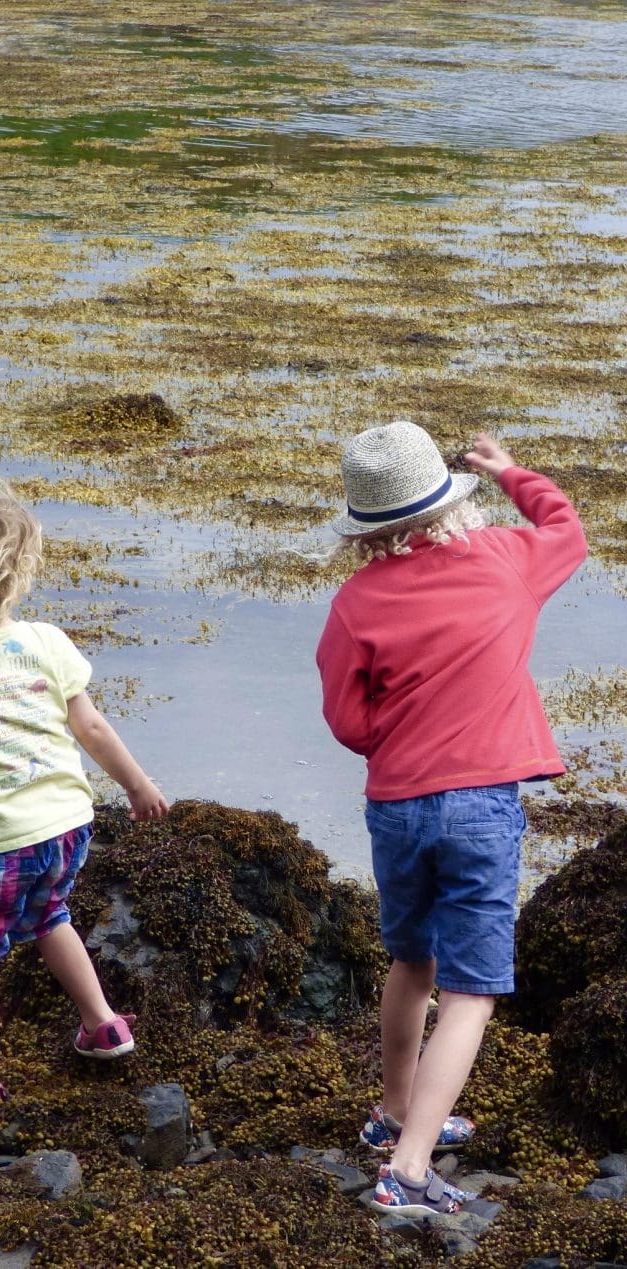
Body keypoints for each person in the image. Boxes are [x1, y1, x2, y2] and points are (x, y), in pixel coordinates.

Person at [316, 421, 587, 1216]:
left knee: (411, 960)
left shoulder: (354, 600)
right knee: (471, 991)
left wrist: (396, 741)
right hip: (481, 807)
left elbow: (346, 719)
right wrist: (511, 472)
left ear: (368, 524)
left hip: (397, 806)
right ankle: (407, 1168)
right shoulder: (506, 560)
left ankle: (395, 1110)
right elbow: (567, 531)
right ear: (448, 497)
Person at [0, 476, 169, 1117]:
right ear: (20, 569)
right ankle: (102, 1023)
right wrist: (137, 785)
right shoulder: (47, 642)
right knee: (50, 916)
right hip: (69, 824)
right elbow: (92, 727)